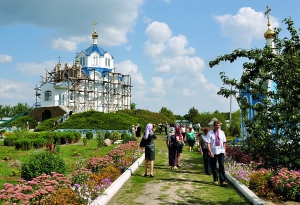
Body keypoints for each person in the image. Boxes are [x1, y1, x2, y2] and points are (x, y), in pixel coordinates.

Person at [206, 120, 228, 186]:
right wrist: (210, 152)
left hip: (221, 151)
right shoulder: (210, 133)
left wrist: (224, 150)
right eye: (217, 125)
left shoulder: (222, 133)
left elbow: (224, 142)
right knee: (214, 166)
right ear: (214, 126)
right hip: (213, 151)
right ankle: (215, 179)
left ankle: (223, 181)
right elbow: (208, 143)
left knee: (221, 165)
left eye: (219, 125)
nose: (218, 126)